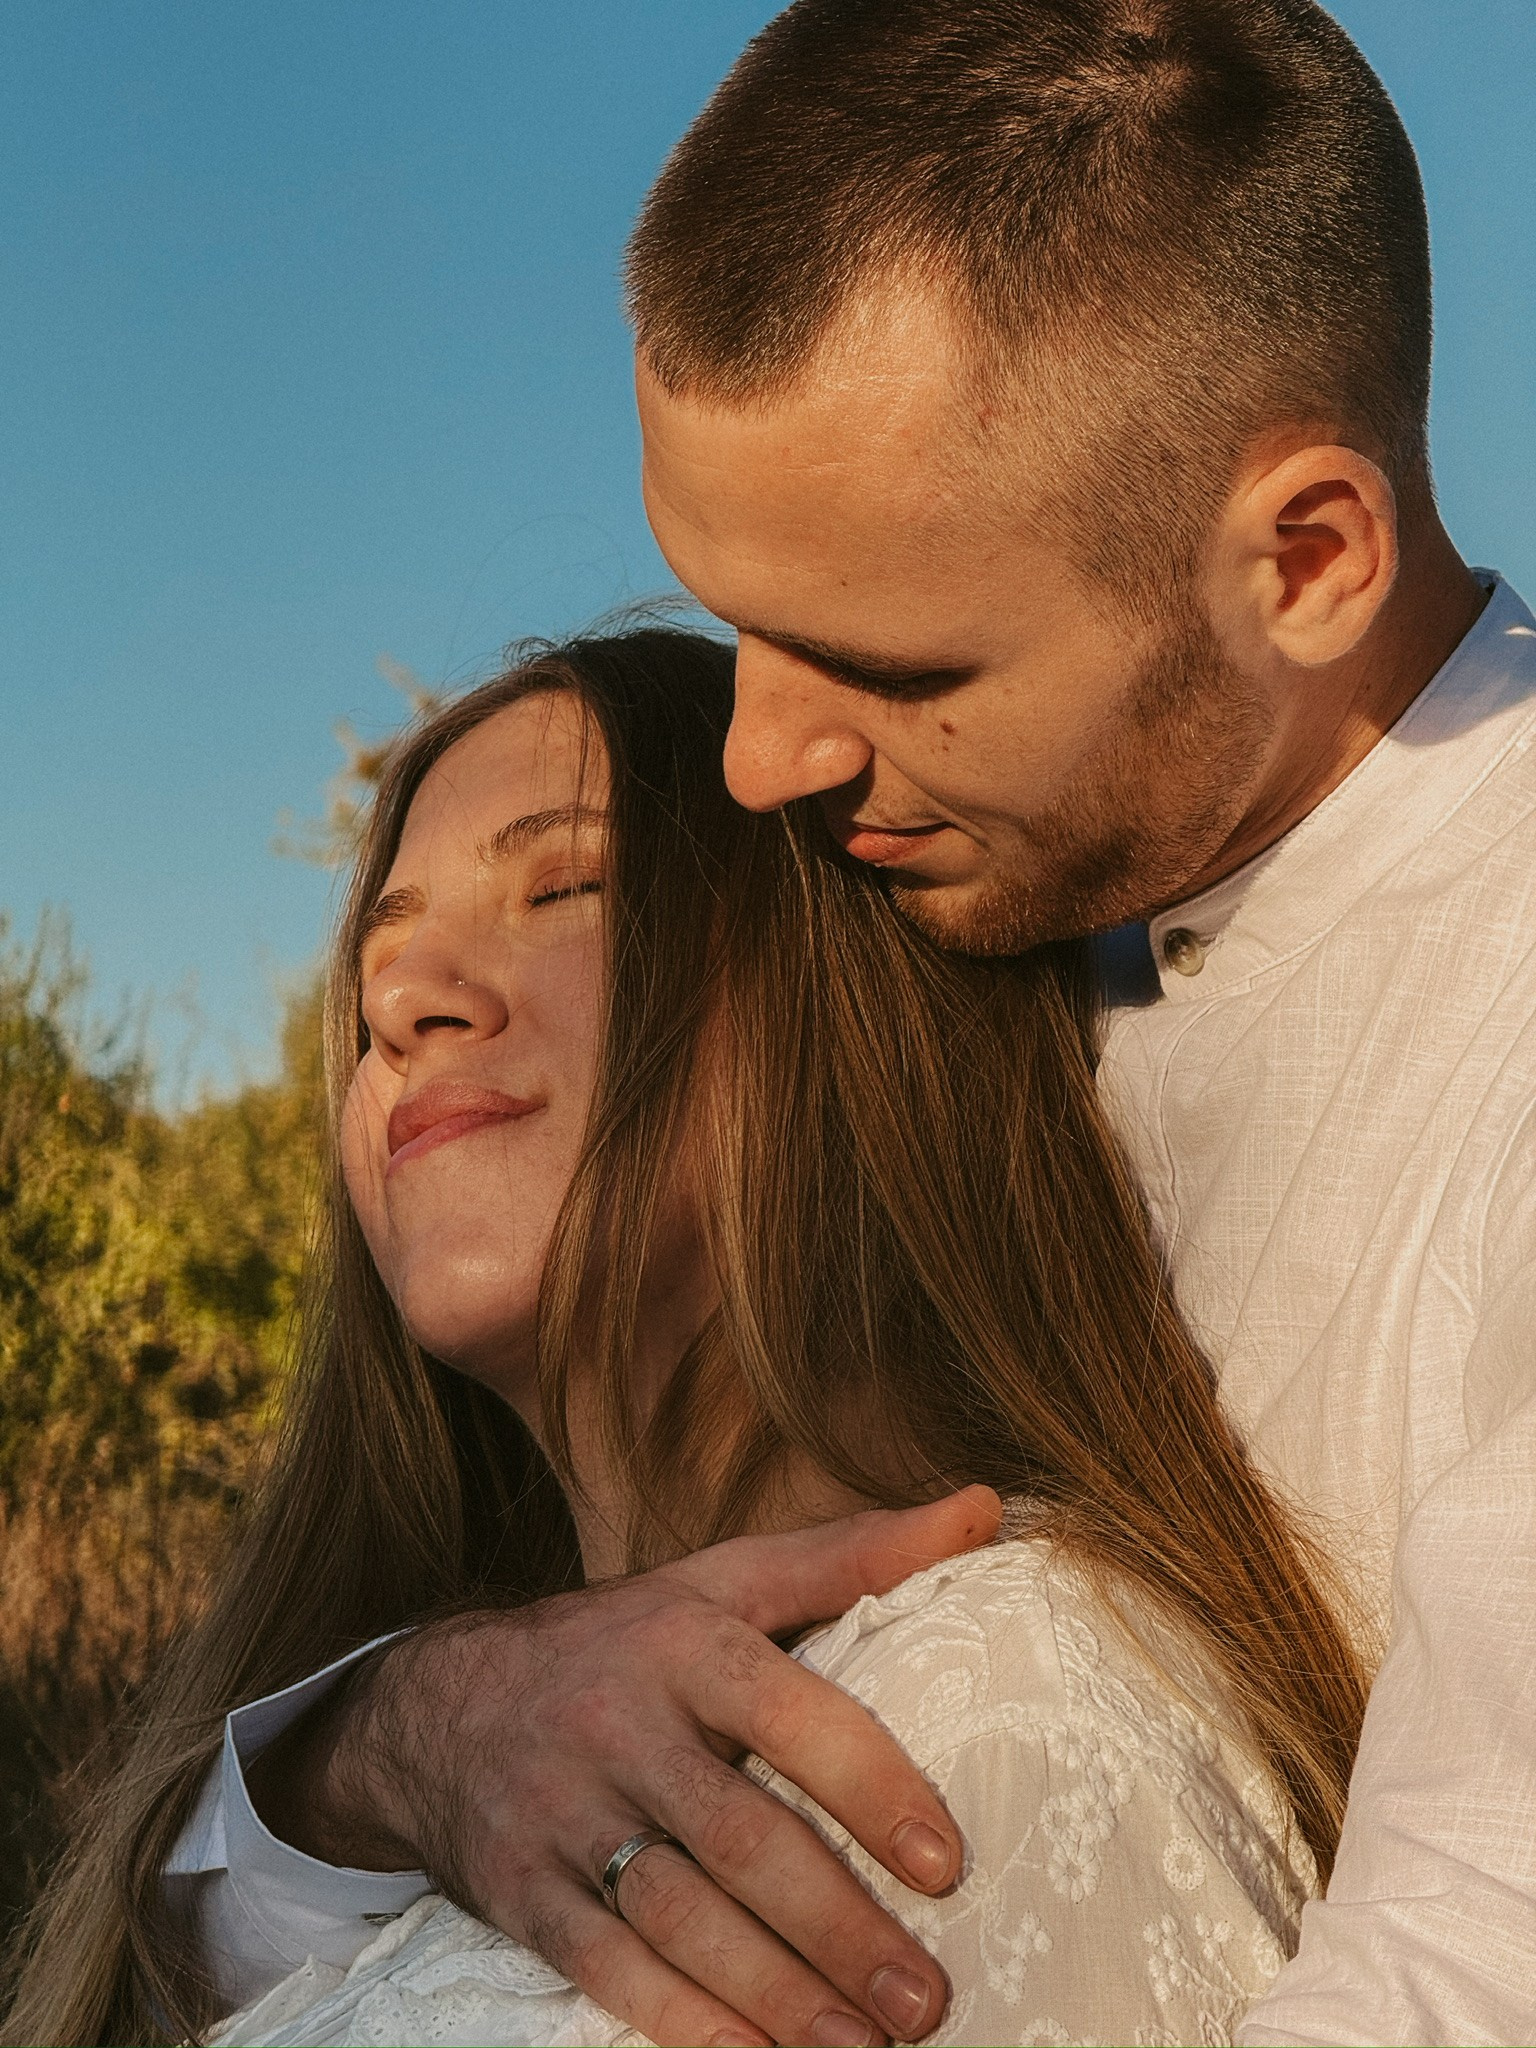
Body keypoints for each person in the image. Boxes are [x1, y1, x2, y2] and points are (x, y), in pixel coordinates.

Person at [16, 1, 1530, 2043]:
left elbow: (1472, 1951)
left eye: (880, 657)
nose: (756, 759)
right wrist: (402, 1724)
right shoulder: (967, 894)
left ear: (1309, 558)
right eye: (730, 616)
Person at [3, 627, 1364, 2047]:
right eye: (380, 970)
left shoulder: (998, 1723)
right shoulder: (388, 1778)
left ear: (833, 997)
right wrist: (396, 1729)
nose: (402, 1009)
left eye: (569, 884)